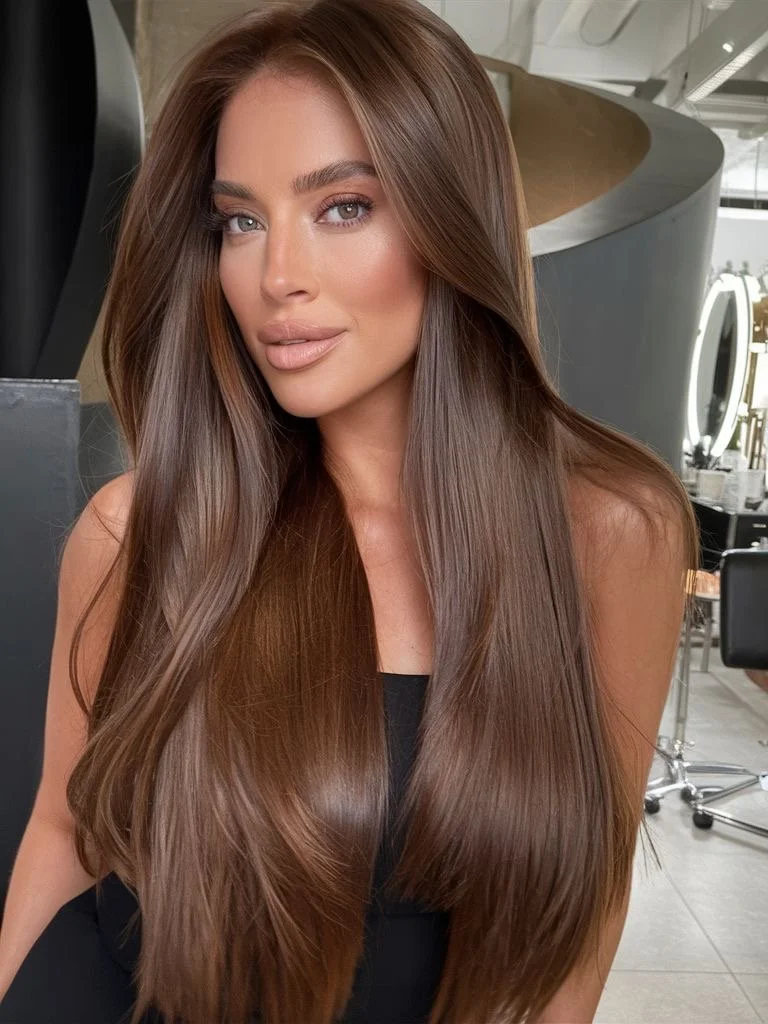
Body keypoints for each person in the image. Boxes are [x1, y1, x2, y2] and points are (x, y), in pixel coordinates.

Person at [0, 0, 698, 1021]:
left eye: (342, 207)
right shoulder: (141, 529)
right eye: (240, 221)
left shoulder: (611, 532)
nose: (276, 276)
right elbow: (66, 835)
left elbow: (585, 908)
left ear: (451, 214)